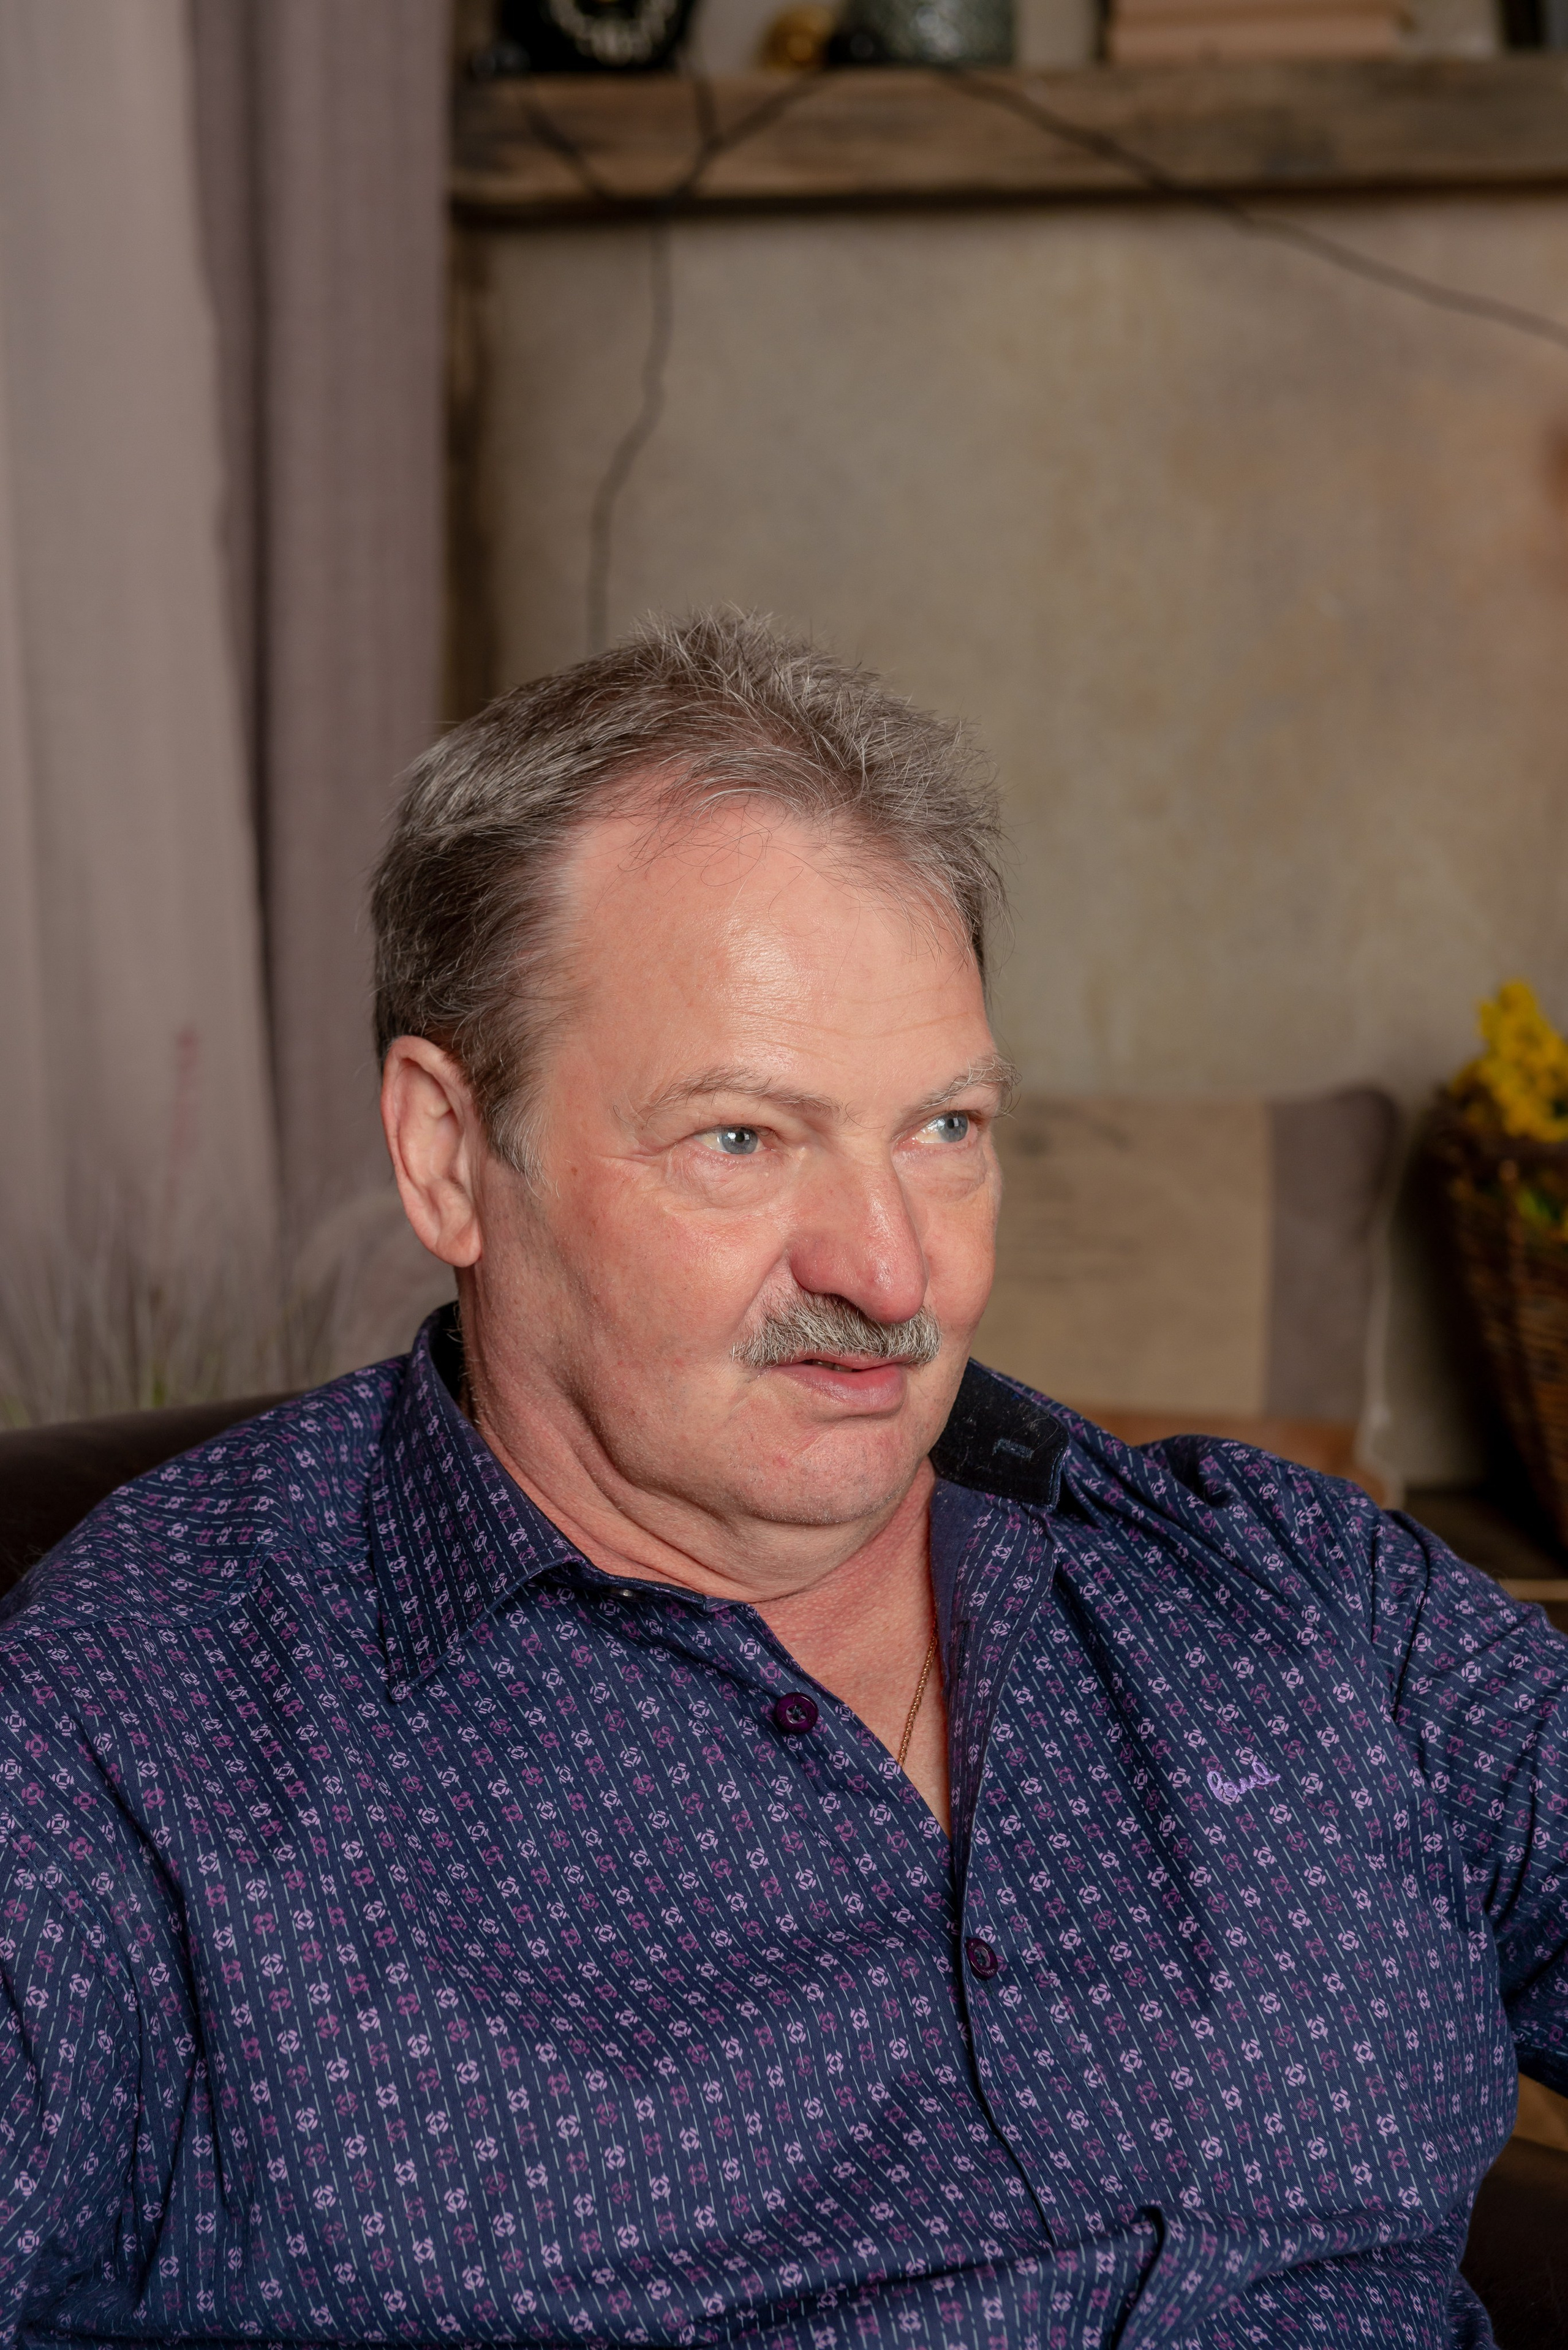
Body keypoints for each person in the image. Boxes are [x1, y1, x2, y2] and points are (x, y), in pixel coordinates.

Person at [0, 613, 1562, 2350]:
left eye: (943, 1131)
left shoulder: (1284, 1590)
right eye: (743, 1139)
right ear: (451, 1154)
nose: (895, 1274)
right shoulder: (126, 1744)